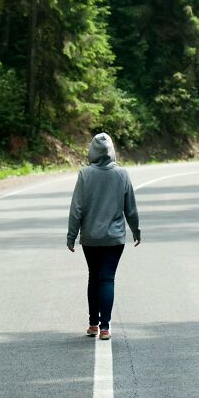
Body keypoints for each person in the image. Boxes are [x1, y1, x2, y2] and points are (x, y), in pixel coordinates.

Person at [66, 132, 141, 340]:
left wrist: (71, 236)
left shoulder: (85, 174)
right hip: (114, 238)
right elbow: (131, 208)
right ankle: (105, 327)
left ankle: (92, 324)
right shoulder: (122, 174)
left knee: (93, 277)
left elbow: (76, 209)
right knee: (107, 278)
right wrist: (136, 231)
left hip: (90, 237)